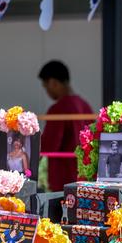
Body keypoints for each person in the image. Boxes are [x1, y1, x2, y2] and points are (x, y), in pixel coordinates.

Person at [39, 60, 93, 191]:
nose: (47, 91)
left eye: (46, 87)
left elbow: (49, 146)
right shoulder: (85, 106)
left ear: (53, 83)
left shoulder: (58, 109)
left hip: (63, 179)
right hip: (87, 176)